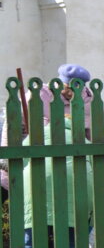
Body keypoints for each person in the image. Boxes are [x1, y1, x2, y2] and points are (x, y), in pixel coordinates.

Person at [2, 64, 94, 198]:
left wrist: (99, 159)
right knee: (7, 185)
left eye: (77, 88)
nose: (72, 93)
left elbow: (88, 134)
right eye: (68, 88)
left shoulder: (86, 101)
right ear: (60, 83)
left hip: (64, 159)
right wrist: (6, 154)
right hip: (28, 151)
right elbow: (12, 123)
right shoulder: (39, 95)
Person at [22, 121, 94, 248]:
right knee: (71, 246)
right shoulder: (81, 139)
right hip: (76, 192)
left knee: (32, 246)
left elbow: (20, 161)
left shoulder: (37, 135)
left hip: (37, 190)